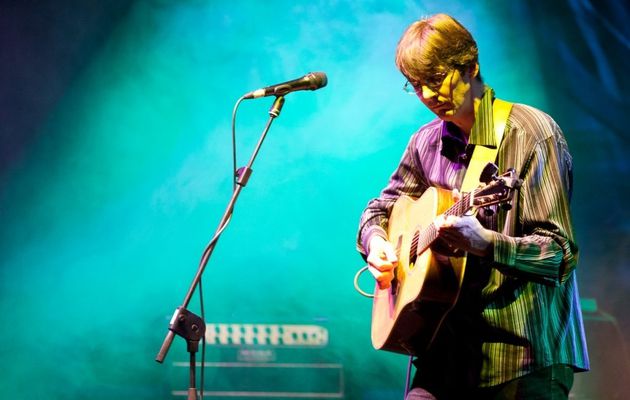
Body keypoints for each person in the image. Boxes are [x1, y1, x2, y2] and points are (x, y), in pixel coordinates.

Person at [356, 14, 589, 399]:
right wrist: (377, 242)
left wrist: (487, 244)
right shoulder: (426, 142)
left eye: (436, 79)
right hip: (443, 351)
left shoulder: (531, 133)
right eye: (416, 86)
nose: (429, 95)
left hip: (519, 356)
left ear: (471, 67)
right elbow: (378, 210)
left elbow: (560, 254)